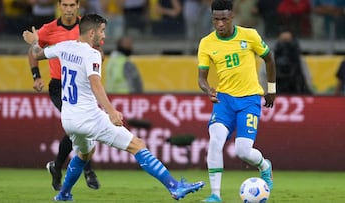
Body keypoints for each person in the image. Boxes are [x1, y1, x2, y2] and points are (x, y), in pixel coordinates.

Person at [23, 13, 205, 201]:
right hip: (89, 117)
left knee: (85, 154)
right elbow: (96, 84)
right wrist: (111, 112)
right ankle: (174, 187)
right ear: (91, 33)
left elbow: (36, 53)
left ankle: (63, 194)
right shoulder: (91, 54)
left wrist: (35, 40)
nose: (104, 35)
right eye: (102, 31)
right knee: (137, 145)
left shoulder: (64, 47)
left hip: (69, 120)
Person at [197, 0, 275, 202]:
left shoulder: (250, 36)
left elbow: (269, 58)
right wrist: (208, 90)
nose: (220, 24)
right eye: (216, 19)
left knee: (243, 151)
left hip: (249, 100)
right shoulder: (206, 43)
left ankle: (264, 165)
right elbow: (202, 78)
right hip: (224, 101)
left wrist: (271, 89)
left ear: (232, 17)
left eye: (224, 19)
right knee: (215, 142)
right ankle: (215, 195)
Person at [26, 0, 100, 191]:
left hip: (81, 84)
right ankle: (87, 171)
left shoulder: (87, 27)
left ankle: (57, 167)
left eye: (71, 5)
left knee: (79, 128)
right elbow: (33, 52)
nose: (68, 9)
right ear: (59, 6)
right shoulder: (48, 30)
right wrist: (36, 76)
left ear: (78, 6)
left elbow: (99, 51)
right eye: (65, 5)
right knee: (77, 127)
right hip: (60, 86)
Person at [274, 29, 312, 94]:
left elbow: (307, 77)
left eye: (288, 41)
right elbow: (263, 77)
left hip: (296, 90)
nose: (285, 44)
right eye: (283, 41)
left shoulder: (299, 59)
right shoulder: (270, 58)